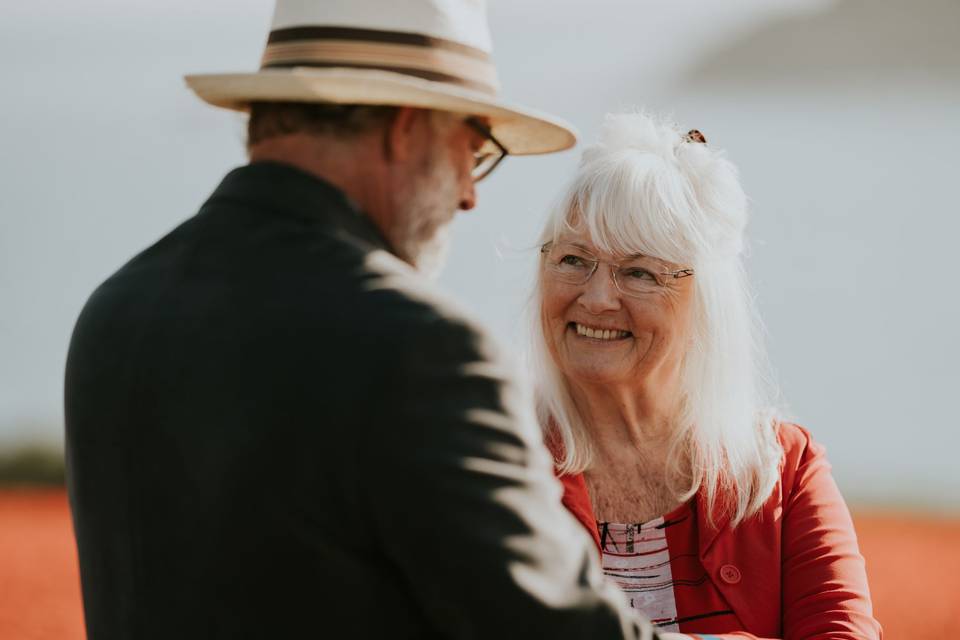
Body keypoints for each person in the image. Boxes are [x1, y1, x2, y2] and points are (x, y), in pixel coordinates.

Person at [64, 2, 664, 639]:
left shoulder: (116, 311)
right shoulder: (422, 348)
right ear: (404, 128)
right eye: (475, 150)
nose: (469, 193)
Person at [528, 112, 883, 639]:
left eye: (639, 272)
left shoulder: (782, 470)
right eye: (574, 260)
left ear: (705, 305)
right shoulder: (494, 457)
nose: (597, 297)